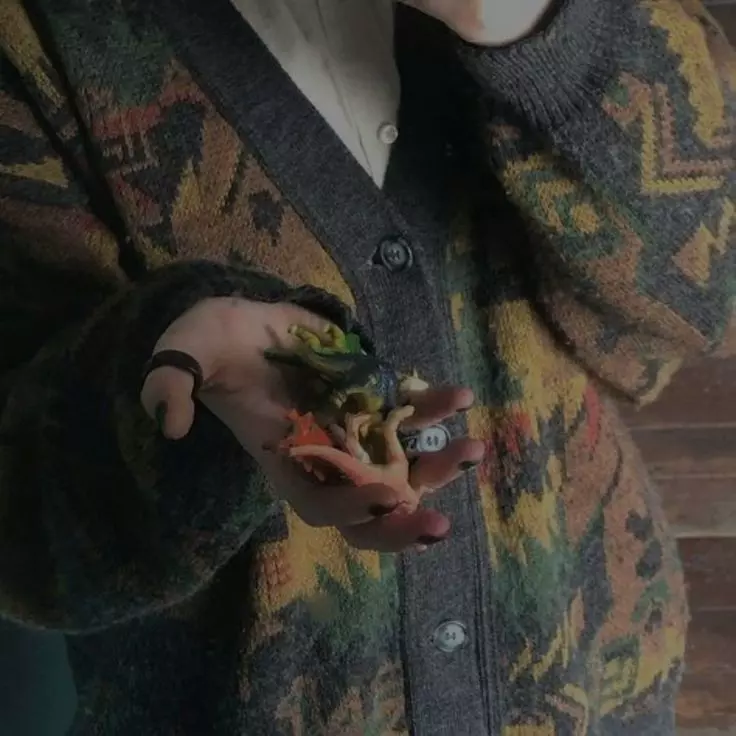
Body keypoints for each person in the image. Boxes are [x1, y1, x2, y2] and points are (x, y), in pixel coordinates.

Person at [0, 0, 732, 733]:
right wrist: (172, 359)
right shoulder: (32, 38)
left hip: (601, 692)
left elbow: (710, 297)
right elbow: (26, 532)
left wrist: (540, 28)